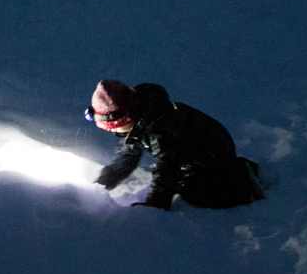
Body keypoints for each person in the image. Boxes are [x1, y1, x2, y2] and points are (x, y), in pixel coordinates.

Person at [86, 79, 265, 210]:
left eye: (112, 127)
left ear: (128, 117)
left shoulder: (161, 127)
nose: (111, 131)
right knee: (179, 182)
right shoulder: (140, 121)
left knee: (192, 192)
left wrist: (156, 202)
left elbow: (167, 166)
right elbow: (129, 154)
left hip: (212, 151)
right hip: (188, 153)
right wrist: (107, 179)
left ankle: (243, 180)